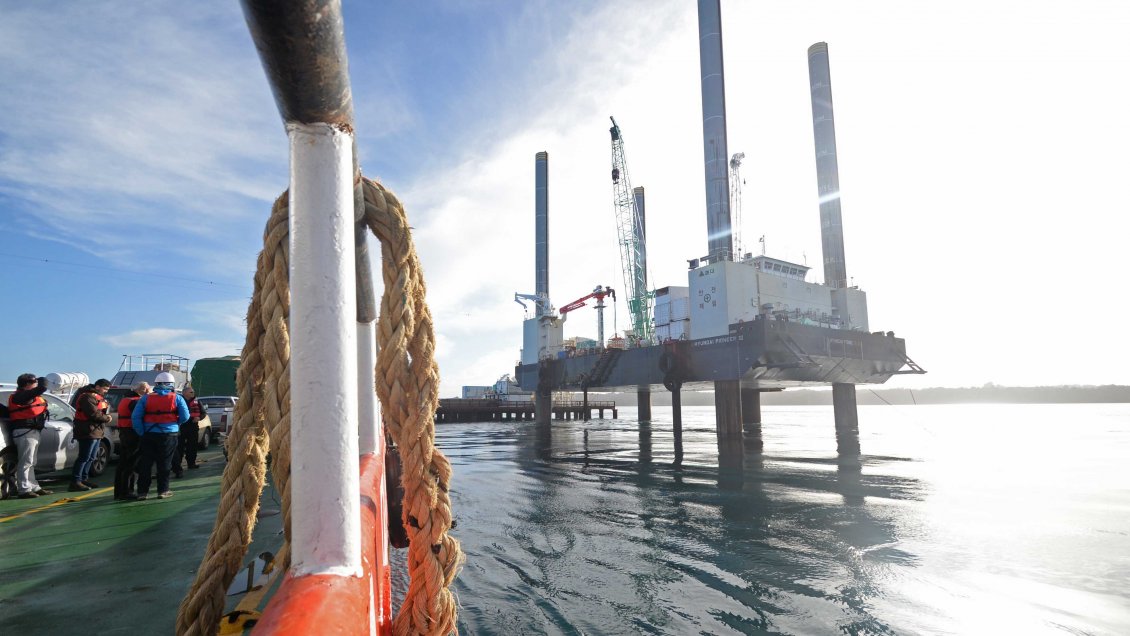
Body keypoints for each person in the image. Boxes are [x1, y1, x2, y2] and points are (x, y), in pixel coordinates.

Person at [131, 372, 189, 500]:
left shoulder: (145, 398)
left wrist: (142, 432)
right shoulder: (177, 398)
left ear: (156, 384)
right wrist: (175, 423)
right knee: (165, 463)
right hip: (169, 434)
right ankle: (163, 490)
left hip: (149, 434)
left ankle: (142, 492)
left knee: (146, 463)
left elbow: (135, 417)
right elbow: (185, 416)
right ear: (171, 384)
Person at [6, 373, 53, 499]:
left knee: (32, 461)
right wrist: (41, 379)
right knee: (25, 462)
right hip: (25, 432)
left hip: (32, 431)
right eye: (34, 382)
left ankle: (34, 486)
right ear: (27, 384)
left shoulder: (26, 395)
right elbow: (43, 387)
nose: (37, 383)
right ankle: (24, 489)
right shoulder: (20, 395)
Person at [70, 378, 112, 491]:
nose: (105, 391)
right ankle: (75, 481)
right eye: (104, 389)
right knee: (84, 456)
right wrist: (107, 418)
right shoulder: (87, 397)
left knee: (91, 457)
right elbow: (93, 414)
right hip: (88, 431)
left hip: (95, 431)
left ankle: (83, 479)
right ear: (97, 387)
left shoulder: (96, 397)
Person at [113, 382, 150, 501]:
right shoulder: (135, 401)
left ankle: (119, 492)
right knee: (131, 464)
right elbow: (140, 416)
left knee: (123, 464)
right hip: (132, 433)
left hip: (124, 433)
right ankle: (126, 491)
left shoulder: (125, 399)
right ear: (143, 390)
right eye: (148, 390)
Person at [172, 385, 208, 477]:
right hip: (181, 426)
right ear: (184, 393)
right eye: (191, 392)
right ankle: (177, 465)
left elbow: (203, 413)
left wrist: (199, 418)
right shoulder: (178, 400)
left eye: (193, 392)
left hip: (193, 426)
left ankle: (191, 463)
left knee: (192, 445)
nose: (193, 393)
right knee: (179, 446)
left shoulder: (197, 401)